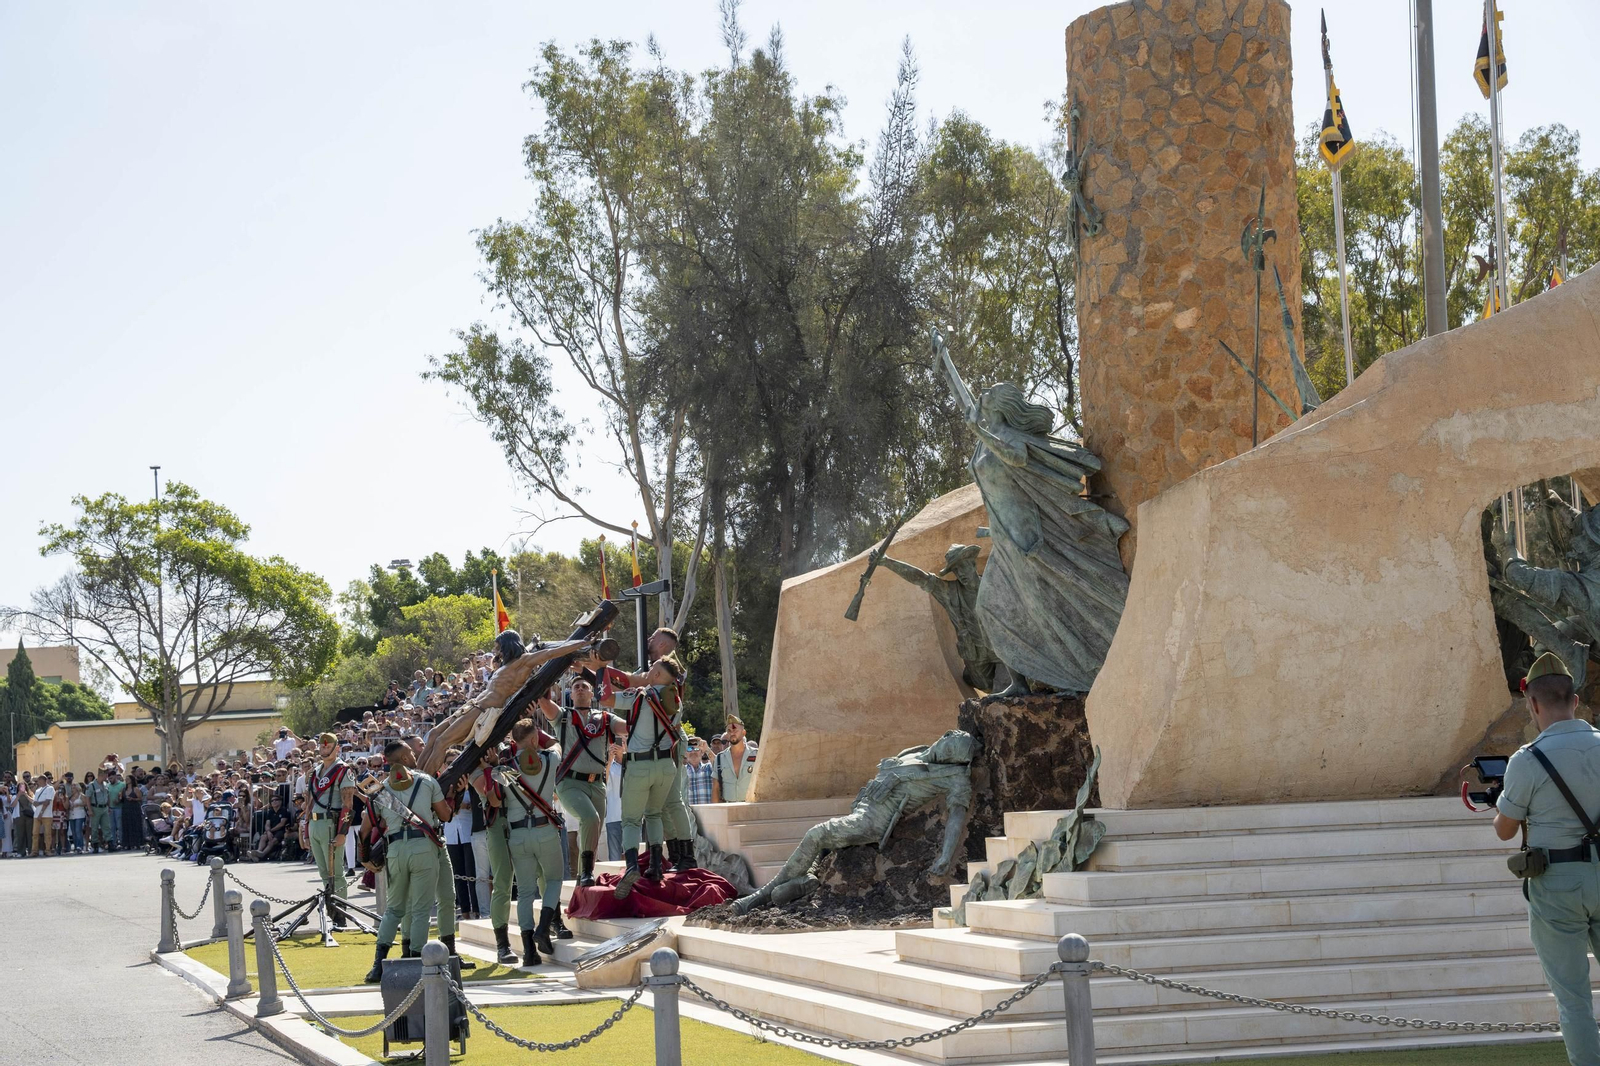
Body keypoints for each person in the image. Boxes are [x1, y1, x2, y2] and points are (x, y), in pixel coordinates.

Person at [1494, 651, 1600, 1064]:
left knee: (1574, 1000)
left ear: (1533, 704)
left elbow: (1505, 830)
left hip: (1557, 882)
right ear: (1575, 701)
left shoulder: (1527, 759)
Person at [365, 739, 452, 983]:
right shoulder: (426, 781)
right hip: (423, 847)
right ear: (403, 759)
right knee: (422, 909)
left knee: (393, 909)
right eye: (411, 753)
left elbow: (368, 826)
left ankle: (378, 965)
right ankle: (415, 960)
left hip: (395, 850)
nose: (415, 756)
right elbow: (445, 815)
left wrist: (365, 857)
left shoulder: (379, 789)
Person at [610, 656, 688, 898]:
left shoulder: (640, 695)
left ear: (655, 675)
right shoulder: (676, 701)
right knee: (654, 813)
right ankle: (655, 866)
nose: (647, 672)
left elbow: (606, 698)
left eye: (651, 669)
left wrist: (601, 669)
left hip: (640, 764)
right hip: (666, 764)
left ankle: (632, 866)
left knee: (631, 820)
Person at [539, 677, 623, 887]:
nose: (580, 689)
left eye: (584, 686)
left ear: (592, 693)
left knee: (593, 832)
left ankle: (583, 878)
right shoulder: (563, 716)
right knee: (590, 818)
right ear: (571, 694)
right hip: (570, 782)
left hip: (597, 784)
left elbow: (626, 726)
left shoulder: (604, 717)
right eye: (575, 687)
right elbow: (543, 701)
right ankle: (585, 873)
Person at [504, 719, 565, 965]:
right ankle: (543, 926)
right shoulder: (549, 760)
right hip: (544, 828)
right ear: (533, 740)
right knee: (553, 879)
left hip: (517, 834)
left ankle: (529, 951)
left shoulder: (504, 766)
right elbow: (557, 744)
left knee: (526, 892)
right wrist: (540, 735)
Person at [467, 747, 518, 964]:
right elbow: (494, 799)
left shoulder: (508, 762)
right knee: (502, 883)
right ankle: (502, 943)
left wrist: (498, 763)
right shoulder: (474, 774)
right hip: (497, 826)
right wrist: (492, 767)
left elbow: (517, 784)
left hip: (520, 822)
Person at [304, 732, 355, 927]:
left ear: (337, 748)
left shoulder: (343, 770)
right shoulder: (315, 771)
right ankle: (331, 912)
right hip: (316, 824)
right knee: (324, 872)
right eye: (322, 746)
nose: (324, 749)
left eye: (328, 746)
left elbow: (348, 804)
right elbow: (309, 801)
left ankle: (340, 915)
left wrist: (342, 831)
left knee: (336, 873)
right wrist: (306, 827)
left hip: (330, 823)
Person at [712, 715, 760, 804]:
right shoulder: (720, 758)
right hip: (728, 807)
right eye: (729, 731)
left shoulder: (757, 754)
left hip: (751, 806)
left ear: (743, 732)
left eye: (735, 730)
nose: (732, 733)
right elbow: (715, 788)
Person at [86, 770, 113, 853]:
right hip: (95, 808)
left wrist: (109, 806)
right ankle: (95, 845)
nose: (107, 777)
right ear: (101, 775)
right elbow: (88, 798)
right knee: (94, 827)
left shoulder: (105, 784)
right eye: (105, 775)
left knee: (106, 826)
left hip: (104, 807)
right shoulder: (92, 785)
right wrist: (89, 810)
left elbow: (107, 796)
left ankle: (110, 843)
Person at [684, 737, 715, 806]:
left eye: (696, 749)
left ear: (702, 752)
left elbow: (720, 765)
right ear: (685, 753)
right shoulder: (681, 772)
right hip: (687, 815)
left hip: (707, 813)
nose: (693, 752)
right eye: (689, 749)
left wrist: (707, 750)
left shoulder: (709, 768)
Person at [31, 774, 55, 857]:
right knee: (35, 833)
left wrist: (41, 812)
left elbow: (47, 802)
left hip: (46, 814)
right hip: (36, 814)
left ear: (43, 780)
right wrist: (39, 804)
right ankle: (34, 851)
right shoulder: (38, 790)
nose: (38, 782)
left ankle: (48, 850)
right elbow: (34, 802)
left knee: (47, 833)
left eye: (39, 780)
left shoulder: (50, 789)